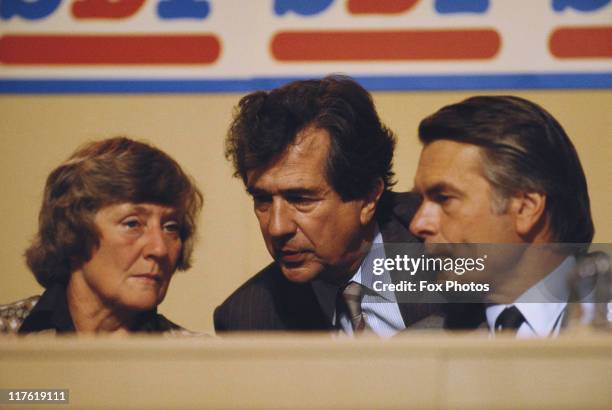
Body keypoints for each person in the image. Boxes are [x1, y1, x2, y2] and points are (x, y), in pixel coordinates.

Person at [214, 75, 443, 336]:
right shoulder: (248, 318)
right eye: (263, 200)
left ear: (368, 198)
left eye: (301, 199)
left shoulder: (450, 250)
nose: (277, 228)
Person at [409, 95, 595, 337]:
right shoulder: (420, 349)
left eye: (443, 198)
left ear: (526, 208)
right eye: (420, 200)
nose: (418, 224)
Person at [0, 137, 203, 334]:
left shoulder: (196, 360)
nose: (159, 249)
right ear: (72, 231)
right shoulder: (8, 334)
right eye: (133, 224)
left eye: (171, 227)